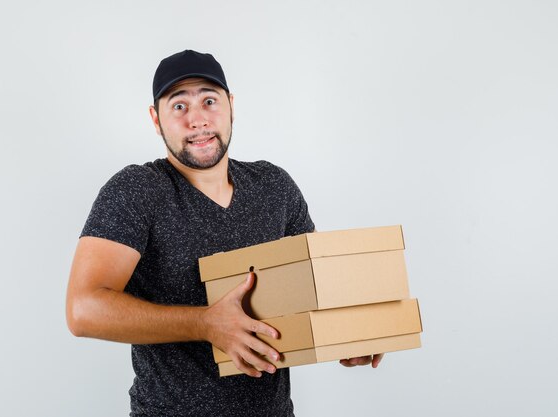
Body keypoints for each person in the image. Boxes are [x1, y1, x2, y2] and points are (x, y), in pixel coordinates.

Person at [66, 49, 383, 417]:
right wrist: (205, 323)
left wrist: (351, 332)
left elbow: (317, 288)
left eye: (209, 100)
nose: (197, 119)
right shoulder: (138, 190)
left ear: (231, 105)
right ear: (156, 119)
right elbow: (83, 309)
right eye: (179, 106)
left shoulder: (274, 187)